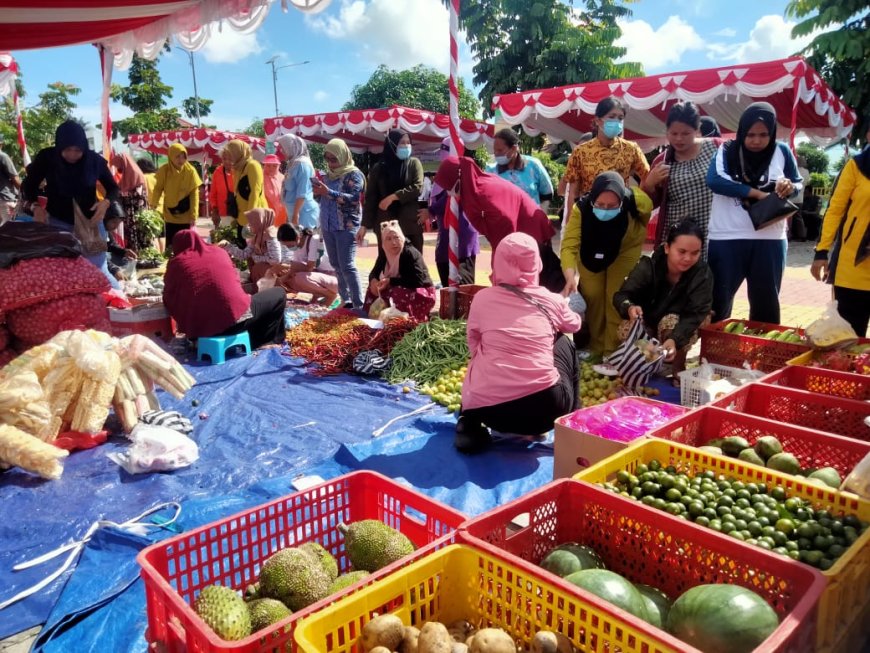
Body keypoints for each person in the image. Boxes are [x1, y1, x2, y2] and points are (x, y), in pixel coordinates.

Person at [455, 232, 582, 453]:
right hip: (545, 411)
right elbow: (575, 325)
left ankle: (470, 421)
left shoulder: (482, 299)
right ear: (536, 263)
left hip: (490, 412)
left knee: (480, 354)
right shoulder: (551, 300)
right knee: (564, 340)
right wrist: (562, 306)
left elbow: (473, 344)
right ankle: (574, 425)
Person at [706, 101, 802, 324]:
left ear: (772, 133)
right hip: (727, 237)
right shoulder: (727, 150)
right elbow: (715, 180)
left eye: (763, 134)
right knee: (718, 301)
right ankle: (712, 354)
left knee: (766, 304)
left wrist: (790, 187)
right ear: (741, 132)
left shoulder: (782, 151)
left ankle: (762, 356)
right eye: (750, 134)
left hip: (770, 239)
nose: (756, 140)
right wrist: (759, 194)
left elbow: (798, 184)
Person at [560, 171, 653, 358]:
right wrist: (570, 276)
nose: (605, 209)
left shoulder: (638, 201)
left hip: (625, 249)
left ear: (622, 200)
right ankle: (596, 346)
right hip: (591, 252)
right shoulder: (582, 209)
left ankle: (613, 350)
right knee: (592, 295)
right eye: (600, 205)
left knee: (616, 297)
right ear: (593, 198)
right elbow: (569, 245)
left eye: (612, 206)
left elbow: (646, 217)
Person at [613, 220, 714, 383]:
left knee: (671, 321)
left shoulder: (702, 274)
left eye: (695, 253)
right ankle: (650, 362)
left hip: (682, 322)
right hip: (650, 319)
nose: (688, 258)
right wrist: (630, 307)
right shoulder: (648, 266)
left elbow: (696, 312)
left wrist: (674, 339)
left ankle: (678, 365)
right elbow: (621, 296)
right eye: (681, 251)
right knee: (626, 328)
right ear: (667, 248)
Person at [163, 229, 286, 348]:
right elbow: (234, 280)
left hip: (199, 333)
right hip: (236, 323)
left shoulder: (175, 264)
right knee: (279, 293)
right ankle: (268, 340)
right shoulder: (218, 252)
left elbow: (168, 297)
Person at [811, 124, 870, 336]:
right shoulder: (856, 167)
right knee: (849, 341)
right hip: (852, 269)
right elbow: (834, 210)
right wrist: (822, 251)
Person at [641, 101, 719, 259]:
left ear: (697, 130)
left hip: (712, 235)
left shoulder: (716, 149)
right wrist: (650, 184)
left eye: (685, 133)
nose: (679, 139)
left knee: (710, 281)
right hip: (677, 239)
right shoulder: (662, 161)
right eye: (673, 133)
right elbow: (647, 203)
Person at [562, 97, 649, 226]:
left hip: (620, 214)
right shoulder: (581, 151)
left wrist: (635, 199)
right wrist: (571, 222)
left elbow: (647, 177)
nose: (617, 121)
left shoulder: (631, 149)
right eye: (612, 116)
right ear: (598, 121)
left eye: (620, 118)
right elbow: (573, 191)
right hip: (589, 214)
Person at [21, 120, 120, 233]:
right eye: (67, 149)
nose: (72, 155)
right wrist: (36, 207)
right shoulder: (47, 158)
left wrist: (106, 202)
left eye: (78, 150)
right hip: (57, 222)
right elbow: (29, 186)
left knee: (96, 251)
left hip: (91, 222)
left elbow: (114, 188)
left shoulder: (94, 161)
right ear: (59, 147)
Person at [311, 138, 365, 309]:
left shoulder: (354, 174)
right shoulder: (328, 176)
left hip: (346, 226)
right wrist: (318, 191)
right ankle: (346, 300)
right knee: (336, 265)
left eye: (333, 159)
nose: (330, 163)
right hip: (328, 226)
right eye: (327, 159)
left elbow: (354, 199)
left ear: (343, 156)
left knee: (347, 266)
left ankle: (358, 304)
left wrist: (329, 192)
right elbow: (324, 197)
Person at [426, 137, 479, 286]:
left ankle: (462, 309)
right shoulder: (445, 170)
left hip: (463, 232)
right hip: (445, 232)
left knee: (463, 281)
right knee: (445, 271)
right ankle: (451, 305)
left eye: (445, 149)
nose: (442, 154)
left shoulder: (464, 170)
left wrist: (432, 210)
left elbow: (455, 196)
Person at [360, 129, 425, 252]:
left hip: (410, 226)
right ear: (392, 144)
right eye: (402, 143)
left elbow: (417, 187)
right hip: (386, 226)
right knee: (387, 266)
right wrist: (364, 225)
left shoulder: (413, 164)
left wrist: (393, 197)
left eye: (408, 142)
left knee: (413, 266)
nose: (406, 146)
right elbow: (371, 199)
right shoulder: (378, 168)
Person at [363, 220, 436, 321]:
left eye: (396, 237)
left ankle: (404, 322)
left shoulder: (409, 253)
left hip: (422, 292)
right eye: (388, 239)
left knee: (397, 293)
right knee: (373, 290)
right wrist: (373, 280)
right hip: (399, 287)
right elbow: (374, 271)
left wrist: (391, 281)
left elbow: (417, 281)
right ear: (383, 242)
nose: (394, 242)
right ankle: (374, 320)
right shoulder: (384, 253)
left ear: (401, 237)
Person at [486, 128, 554, 209]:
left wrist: (540, 214)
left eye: (500, 150)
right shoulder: (490, 171)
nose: (496, 154)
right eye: (494, 150)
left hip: (530, 220)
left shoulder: (533, 165)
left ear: (514, 149)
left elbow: (547, 195)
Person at [150, 143, 202, 249]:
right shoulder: (164, 170)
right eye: (177, 156)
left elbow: (194, 194)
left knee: (186, 245)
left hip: (186, 215)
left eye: (183, 157)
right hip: (170, 215)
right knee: (171, 245)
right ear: (171, 156)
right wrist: (154, 204)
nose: (181, 160)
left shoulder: (190, 171)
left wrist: (194, 214)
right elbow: (158, 189)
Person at [273, 223, 338, 305]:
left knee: (300, 277)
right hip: (318, 276)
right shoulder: (298, 244)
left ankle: (330, 295)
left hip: (333, 278)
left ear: (297, 237)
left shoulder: (313, 239)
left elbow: (309, 267)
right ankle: (316, 297)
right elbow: (294, 269)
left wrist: (288, 268)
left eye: (289, 245)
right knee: (289, 277)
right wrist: (281, 280)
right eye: (286, 246)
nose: (288, 248)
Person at [218, 207, 281, 282]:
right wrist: (227, 245)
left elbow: (276, 260)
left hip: (277, 272)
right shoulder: (257, 236)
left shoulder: (271, 236)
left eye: (251, 223)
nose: (249, 226)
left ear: (259, 222)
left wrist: (256, 258)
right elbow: (244, 254)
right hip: (265, 270)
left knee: (258, 267)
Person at [223, 139, 268, 243]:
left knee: (256, 252)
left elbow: (255, 192)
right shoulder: (238, 168)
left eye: (231, 154)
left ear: (238, 153)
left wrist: (250, 219)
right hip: (242, 218)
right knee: (243, 251)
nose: (229, 158)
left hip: (254, 218)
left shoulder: (253, 165)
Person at [276, 134, 319, 230]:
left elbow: (302, 193)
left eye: (283, 148)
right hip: (295, 213)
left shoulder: (302, 165)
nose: (282, 151)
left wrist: (295, 216)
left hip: (303, 214)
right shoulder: (293, 163)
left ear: (290, 148)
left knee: (305, 243)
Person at [110, 152, 148, 251]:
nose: (118, 167)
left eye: (118, 164)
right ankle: (132, 252)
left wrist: (123, 194)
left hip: (135, 211)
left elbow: (139, 195)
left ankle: (140, 253)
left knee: (138, 233)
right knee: (130, 234)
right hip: (128, 212)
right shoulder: (125, 175)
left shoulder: (136, 175)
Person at [208, 148, 234, 229]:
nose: (227, 161)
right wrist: (215, 211)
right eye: (224, 159)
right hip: (222, 214)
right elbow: (213, 194)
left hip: (239, 215)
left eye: (230, 159)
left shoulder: (240, 171)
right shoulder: (217, 172)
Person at [261, 154, 287, 227]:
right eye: (268, 165)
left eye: (274, 166)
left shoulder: (282, 177)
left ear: (279, 166)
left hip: (281, 212)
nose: (271, 168)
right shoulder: (259, 176)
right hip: (265, 211)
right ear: (264, 165)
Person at [0, 134, 21, 224]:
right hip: (4, 199)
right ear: (1, 144)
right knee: (7, 230)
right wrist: (24, 191)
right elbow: (15, 178)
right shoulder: (3, 156)